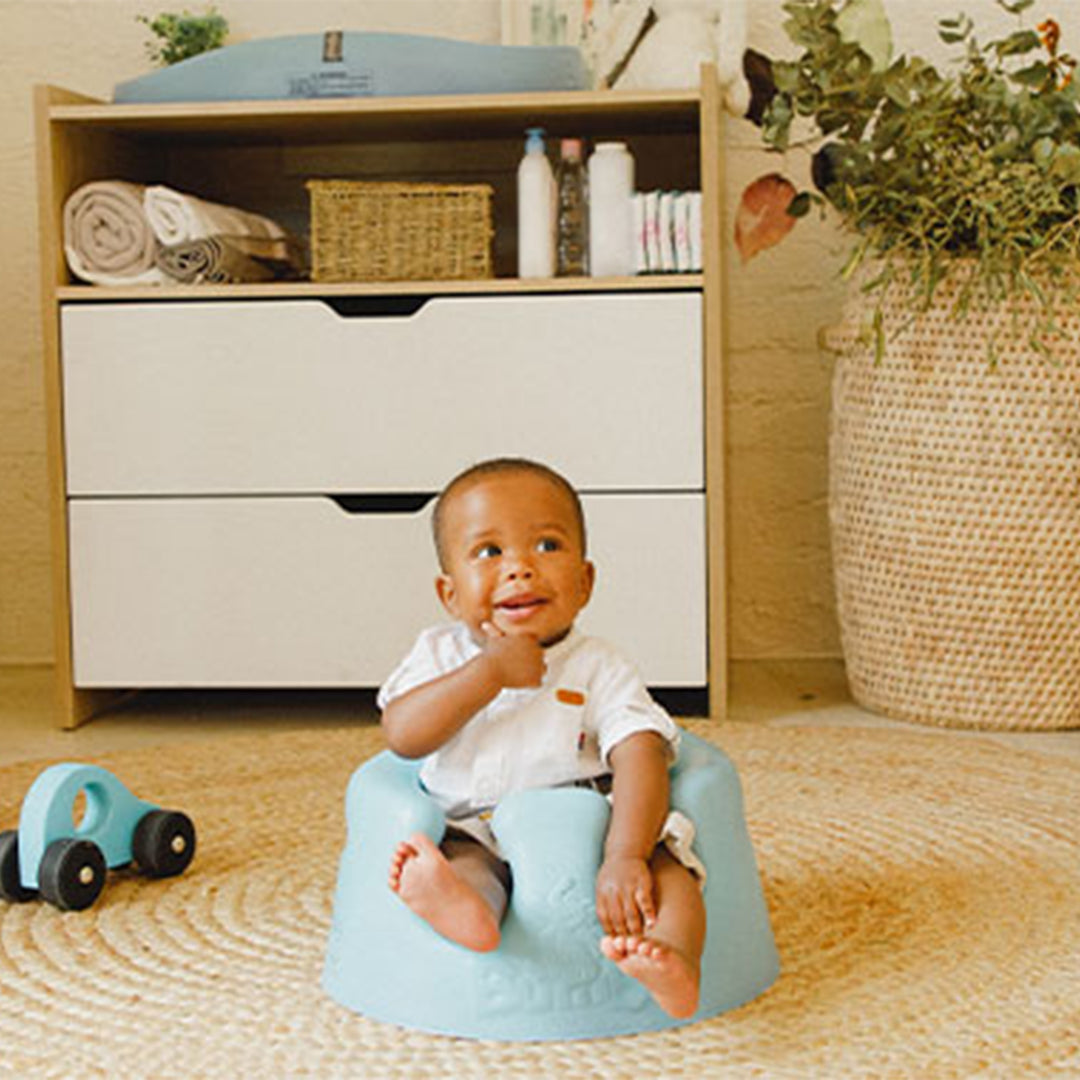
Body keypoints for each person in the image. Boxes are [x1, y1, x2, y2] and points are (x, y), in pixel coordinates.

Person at [378, 457, 706, 1019]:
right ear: (450, 594)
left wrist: (625, 853)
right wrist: (488, 673)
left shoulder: (599, 665)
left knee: (671, 871)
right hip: (470, 827)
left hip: (591, 831)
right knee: (463, 867)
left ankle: (673, 958)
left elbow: (641, 752)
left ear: (585, 581)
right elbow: (403, 735)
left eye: (548, 546)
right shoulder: (439, 653)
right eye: (489, 552)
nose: (520, 569)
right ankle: (467, 912)